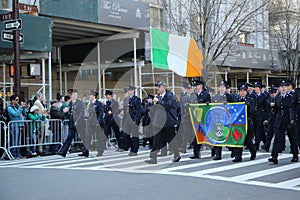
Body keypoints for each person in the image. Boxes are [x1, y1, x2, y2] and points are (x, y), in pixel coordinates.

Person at [145, 81, 181, 164]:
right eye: (157, 87)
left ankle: (176, 154)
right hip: (159, 122)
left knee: (171, 140)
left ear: (164, 88)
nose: (157, 88)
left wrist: (158, 101)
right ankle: (153, 158)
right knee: (156, 140)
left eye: (159, 86)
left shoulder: (170, 96)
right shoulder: (158, 97)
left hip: (168, 122)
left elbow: (167, 106)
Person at [268, 80, 299, 164]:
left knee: (292, 138)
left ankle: (295, 154)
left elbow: (292, 108)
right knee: (277, 138)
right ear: (279, 88)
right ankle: (274, 156)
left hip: (288, 119)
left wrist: (293, 120)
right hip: (279, 119)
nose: (283, 88)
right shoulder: (278, 97)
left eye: (285, 86)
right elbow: (276, 110)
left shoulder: (291, 96)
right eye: (281, 87)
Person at [58, 89, 87, 157]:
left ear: (76, 94)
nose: (71, 96)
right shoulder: (71, 103)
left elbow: (81, 113)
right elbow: (70, 113)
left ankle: (85, 151)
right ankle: (63, 151)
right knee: (69, 137)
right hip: (72, 123)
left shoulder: (80, 103)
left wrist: (77, 121)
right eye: (70, 94)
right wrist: (66, 111)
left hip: (79, 123)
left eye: (72, 94)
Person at [232, 84, 256, 162]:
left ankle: (253, 151)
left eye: (244, 91)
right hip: (238, 123)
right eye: (241, 91)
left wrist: (248, 106)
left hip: (247, 122)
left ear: (246, 92)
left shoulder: (250, 99)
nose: (242, 93)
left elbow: (253, 112)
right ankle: (238, 156)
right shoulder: (236, 100)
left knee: (248, 140)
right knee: (238, 139)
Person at [211, 80, 235, 160]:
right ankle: (218, 154)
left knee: (228, 137)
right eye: (220, 87)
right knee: (218, 137)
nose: (221, 88)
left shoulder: (230, 97)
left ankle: (232, 150)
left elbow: (234, 107)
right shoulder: (215, 97)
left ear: (225, 88)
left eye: (223, 87)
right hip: (218, 120)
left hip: (227, 120)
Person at [189, 80, 211, 159]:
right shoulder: (192, 95)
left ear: (201, 86)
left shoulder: (206, 94)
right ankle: (196, 153)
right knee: (196, 137)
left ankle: (214, 151)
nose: (195, 87)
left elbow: (209, 105)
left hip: (203, 119)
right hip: (195, 119)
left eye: (197, 86)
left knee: (207, 136)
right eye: (194, 86)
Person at [84, 90, 105, 157]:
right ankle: (85, 152)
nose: (89, 96)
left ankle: (100, 151)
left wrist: (98, 122)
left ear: (94, 96)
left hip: (97, 123)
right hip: (90, 123)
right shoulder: (90, 104)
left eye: (90, 95)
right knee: (87, 137)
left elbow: (101, 113)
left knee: (99, 138)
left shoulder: (98, 104)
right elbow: (88, 114)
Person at [122, 85, 142, 156]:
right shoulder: (126, 99)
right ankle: (129, 146)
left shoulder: (137, 99)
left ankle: (134, 150)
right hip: (127, 119)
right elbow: (125, 111)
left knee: (134, 135)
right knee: (125, 135)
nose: (128, 91)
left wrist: (136, 120)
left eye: (129, 90)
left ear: (133, 91)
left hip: (133, 119)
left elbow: (139, 111)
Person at [253, 81, 269, 150]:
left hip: (261, 116)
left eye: (257, 87)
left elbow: (267, 108)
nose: (255, 89)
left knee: (258, 131)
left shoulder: (264, 97)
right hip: (255, 116)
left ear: (260, 88)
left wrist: (266, 118)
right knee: (259, 131)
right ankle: (266, 143)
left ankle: (256, 144)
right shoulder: (252, 96)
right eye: (255, 87)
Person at [261, 85, 278, 152]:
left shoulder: (278, 98)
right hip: (271, 119)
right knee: (269, 133)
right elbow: (267, 110)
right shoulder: (270, 99)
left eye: (273, 93)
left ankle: (280, 147)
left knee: (278, 135)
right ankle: (266, 146)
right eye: (271, 93)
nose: (272, 94)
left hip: (277, 119)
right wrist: (267, 119)